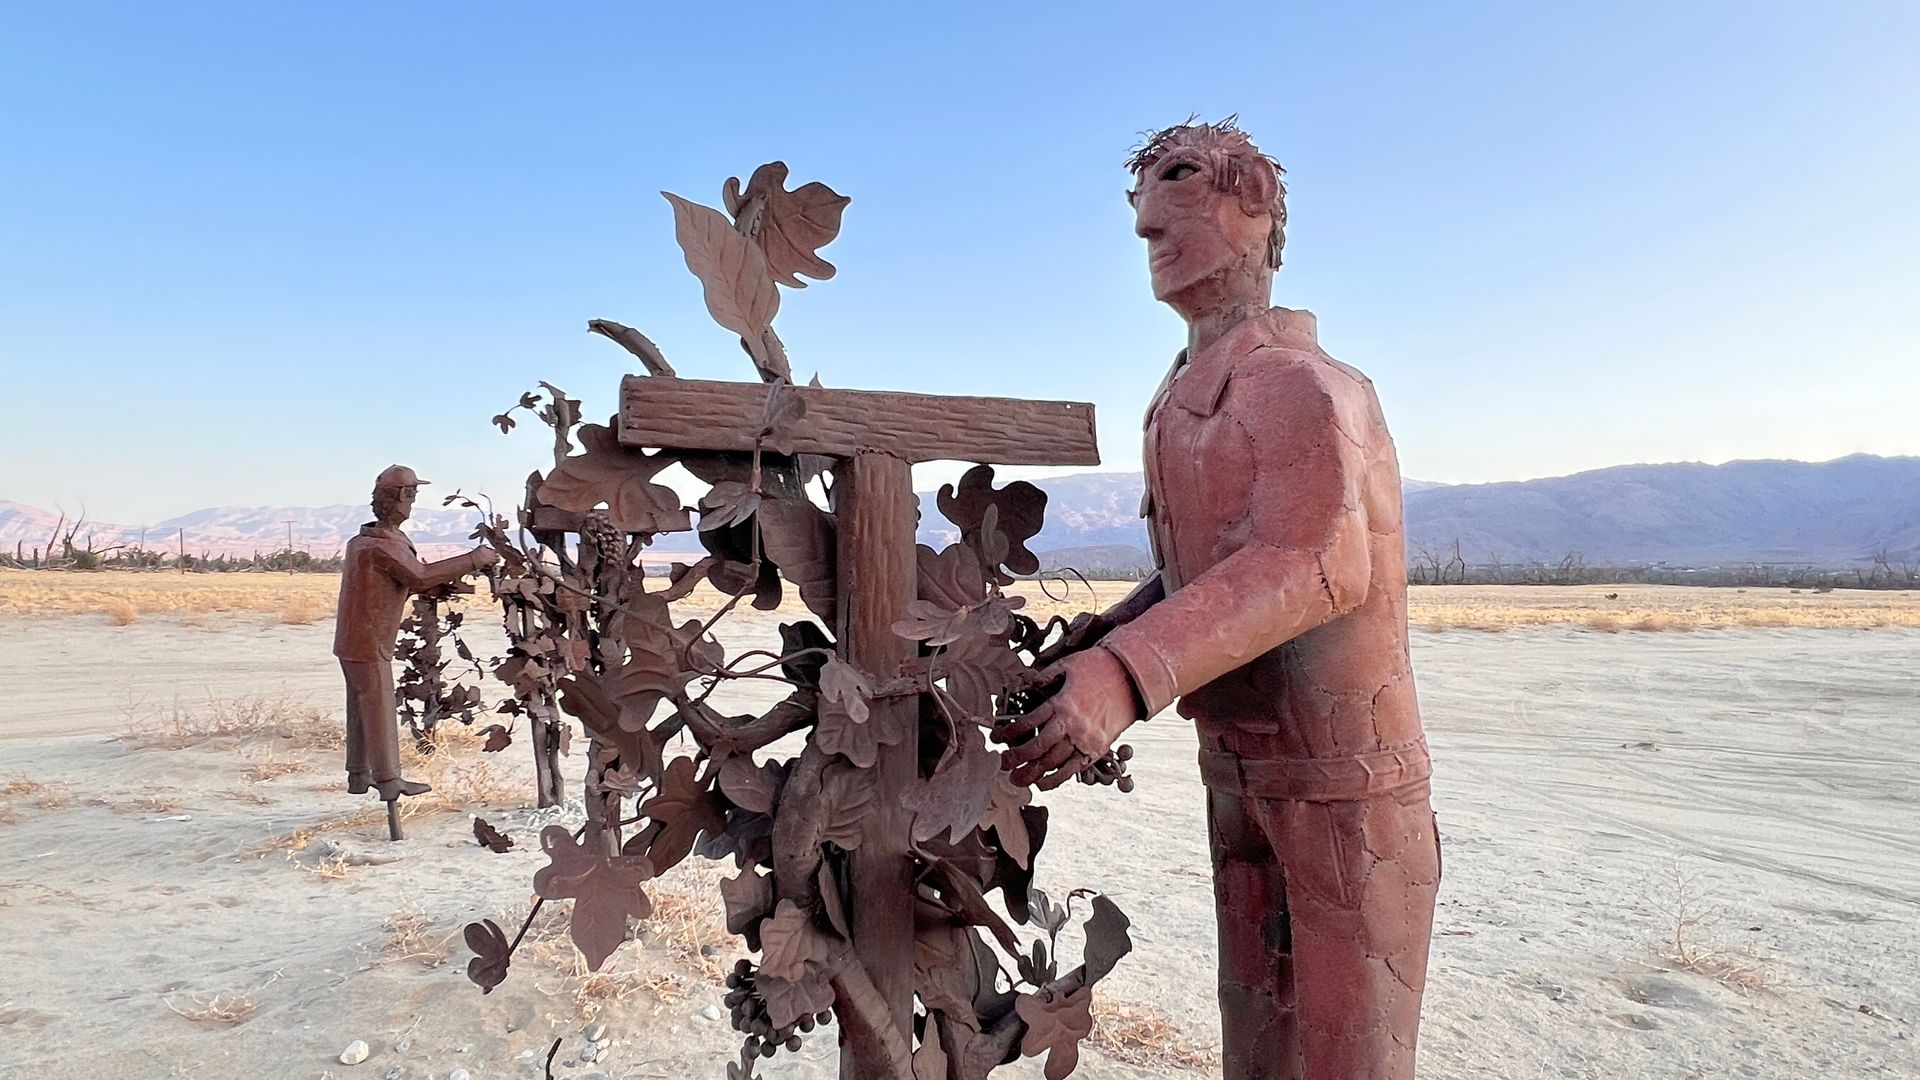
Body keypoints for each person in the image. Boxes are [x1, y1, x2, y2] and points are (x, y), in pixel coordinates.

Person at [997, 120, 1440, 1079]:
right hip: (1242, 768)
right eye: (1140, 199)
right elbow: (1213, 570)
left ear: (1258, 207)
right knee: (1259, 1042)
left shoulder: (1299, 383)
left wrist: (1125, 672)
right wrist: (1109, 635)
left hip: (1343, 784)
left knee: (1344, 1055)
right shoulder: (1182, 395)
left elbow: (1315, 563)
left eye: (1181, 182)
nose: (1148, 223)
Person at [333, 465, 497, 802]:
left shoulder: (367, 542)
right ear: (401, 498)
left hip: (357, 638)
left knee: (360, 704)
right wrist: (474, 558)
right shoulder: (379, 546)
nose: (413, 504)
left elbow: (399, 584)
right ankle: (389, 778)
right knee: (376, 704)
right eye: (412, 496)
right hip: (368, 639)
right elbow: (418, 576)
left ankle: (359, 774)